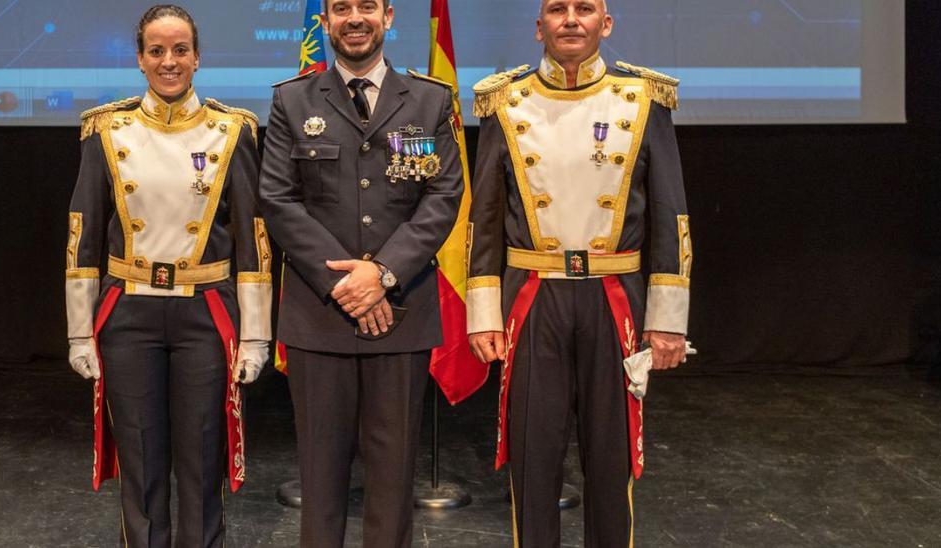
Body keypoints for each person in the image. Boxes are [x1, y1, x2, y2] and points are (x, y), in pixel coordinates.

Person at [465, 0, 691, 545]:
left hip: (614, 296)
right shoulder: (504, 100)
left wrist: (669, 320)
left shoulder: (642, 99)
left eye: (584, 8)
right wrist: (482, 315)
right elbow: (485, 221)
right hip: (532, 296)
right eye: (557, 9)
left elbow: (671, 215)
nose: (571, 19)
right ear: (538, 25)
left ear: (604, 24)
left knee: (612, 460)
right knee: (532, 457)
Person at [257, 0, 464, 544]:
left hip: (401, 314)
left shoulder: (430, 98)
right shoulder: (291, 100)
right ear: (324, 21)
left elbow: (444, 195)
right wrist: (347, 284)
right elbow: (277, 199)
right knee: (319, 477)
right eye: (340, 7)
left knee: (394, 477)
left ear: (388, 16)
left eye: (366, 6)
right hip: (319, 316)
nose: (354, 17)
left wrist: (383, 275)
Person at [63, 5, 270, 547]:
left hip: (205, 309)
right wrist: (79, 330)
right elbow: (83, 235)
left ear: (198, 57)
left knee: (204, 457)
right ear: (140, 59)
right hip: (128, 310)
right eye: (157, 50)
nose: (169, 61)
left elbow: (254, 240)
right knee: (141, 456)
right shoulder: (105, 129)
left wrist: (255, 336)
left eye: (180, 49)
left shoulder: (234, 130)